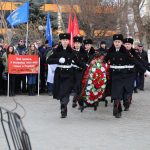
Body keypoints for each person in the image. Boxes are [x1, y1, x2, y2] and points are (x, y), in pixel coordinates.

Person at [46, 33, 86, 118]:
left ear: (68, 41)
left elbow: (77, 62)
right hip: (59, 74)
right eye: (63, 40)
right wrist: (58, 60)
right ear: (60, 41)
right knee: (61, 91)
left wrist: (87, 67)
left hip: (69, 74)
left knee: (66, 91)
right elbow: (48, 60)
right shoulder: (56, 50)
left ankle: (64, 105)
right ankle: (63, 106)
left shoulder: (71, 51)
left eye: (66, 40)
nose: (65, 42)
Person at [71, 36, 87, 108]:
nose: (77, 44)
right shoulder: (71, 52)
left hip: (81, 71)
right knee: (76, 87)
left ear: (81, 44)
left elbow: (87, 62)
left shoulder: (84, 52)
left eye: (78, 43)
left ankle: (76, 100)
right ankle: (79, 102)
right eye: (75, 43)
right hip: (73, 71)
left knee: (79, 87)